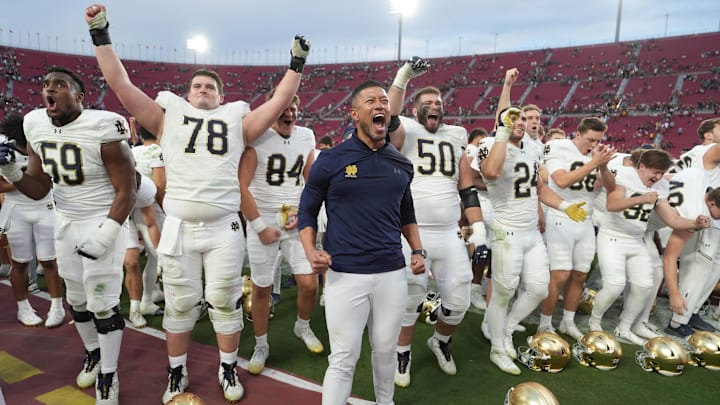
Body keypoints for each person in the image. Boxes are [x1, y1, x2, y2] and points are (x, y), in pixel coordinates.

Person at [84, 4, 310, 403]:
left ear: (222, 96)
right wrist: (100, 32)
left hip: (224, 228)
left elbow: (279, 101)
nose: (204, 91)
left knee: (224, 300)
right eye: (198, 87)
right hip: (181, 227)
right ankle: (176, 371)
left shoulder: (237, 122)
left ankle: (227, 367)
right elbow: (120, 84)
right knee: (181, 304)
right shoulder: (167, 116)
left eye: (211, 87)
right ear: (187, 95)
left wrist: (296, 63)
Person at [0, 65, 136, 405]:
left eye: (60, 85)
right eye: (46, 84)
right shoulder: (35, 125)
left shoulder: (102, 125)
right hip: (65, 221)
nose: (50, 89)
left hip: (103, 218)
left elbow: (128, 189)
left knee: (103, 304)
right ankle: (93, 353)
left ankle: (109, 375)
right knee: (76, 301)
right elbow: (37, 188)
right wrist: (12, 171)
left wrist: (106, 234)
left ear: (79, 96)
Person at [297, 80, 425, 405]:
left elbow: (406, 212)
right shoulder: (330, 160)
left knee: (385, 352)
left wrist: (418, 249)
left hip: (391, 273)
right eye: (371, 101)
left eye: (385, 100)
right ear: (355, 113)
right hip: (345, 273)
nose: (380, 105)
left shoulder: (401, 163)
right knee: (343, 356)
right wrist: (311, 251)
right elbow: (307, 211)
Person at [387, 58, 487, 386]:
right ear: (415, 111)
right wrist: (404, 76)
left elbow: (467, 187)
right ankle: (402, 352)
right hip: (412, 232)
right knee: (410, 299)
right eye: (426, 103)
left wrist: (480, 229)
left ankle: (440, 341)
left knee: (458, 301)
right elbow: (386, 116)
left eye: (438, 103)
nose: (433, 107)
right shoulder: (406, 128)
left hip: (448, 233)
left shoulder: (457, 134)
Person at [473, 106, 589, 375]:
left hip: (531, 233)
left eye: (524, 118)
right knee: (503, 291)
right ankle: (498, 348)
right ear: (503, 122)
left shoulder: (533, 148)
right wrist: (503, 130)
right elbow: (490, 172)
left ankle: (507, 328)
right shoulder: (492, 143)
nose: (522, 122)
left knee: (538, 288)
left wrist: (563, 206)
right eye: (515, 118)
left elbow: (539, 189)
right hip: (507, 231)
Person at [239, 89, 323, 375]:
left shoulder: (306, 136)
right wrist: (261, 228)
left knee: (310, 283)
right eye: (283, 107)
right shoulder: (258, 136)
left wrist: (304, 212)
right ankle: (261, 344)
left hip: (296, 218)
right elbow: (241, 187)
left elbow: (310, 180)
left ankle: (302, 325)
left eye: (293, 107)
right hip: (263, 220)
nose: (289, 113)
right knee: (262, 288)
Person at [589, 149, 709, 345]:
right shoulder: (625, 174)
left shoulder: (661, 186)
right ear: (641, 166)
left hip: (636, 240)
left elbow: (673, 219)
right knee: (614, 285)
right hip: (612, 237)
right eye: (655, 171)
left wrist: (695, 223)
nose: (658, 177)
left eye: (662, 173)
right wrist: (640, 199)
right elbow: (612, 204)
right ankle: (594, 322)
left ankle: (625, 327)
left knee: (645, 285)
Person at [537, 117, 615, 340]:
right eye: (590, 139)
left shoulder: (597, 154)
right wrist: (592, 163)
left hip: (586, 219)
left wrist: (603, 165)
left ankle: (567, 322)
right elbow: (561, 181)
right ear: (578, 134)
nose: (593, 144)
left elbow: (608, 187)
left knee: (580, 275)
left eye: (598, 140)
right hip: (561, 215)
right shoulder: (559, 147)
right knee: (559, 275)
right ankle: (544, 323)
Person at [0, 113, 65, 328]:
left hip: (45, 207)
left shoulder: (42, 149)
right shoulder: (4, 151)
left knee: (49, 260)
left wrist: (16, 177)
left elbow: (45, 183)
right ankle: (23, 307)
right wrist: (21, 179)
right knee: (20, 262)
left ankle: (57, 306)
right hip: (16, 209)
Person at [662, 167, 720, 336]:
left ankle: (692, 311)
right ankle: (678, 322)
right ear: (711, 203)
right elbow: (670, 257)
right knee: (699, 267)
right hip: (675, 226)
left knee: (714, 266)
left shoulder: (699, 174)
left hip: (682, 220)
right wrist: (674, 294)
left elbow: (672, 175)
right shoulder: (696, 214)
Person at [130, 122, 166, 309]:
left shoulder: (134, 150)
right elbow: (160, 187)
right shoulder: (156, 152)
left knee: (154, 257)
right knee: (162, 256)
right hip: (151, 207)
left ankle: (151, 295)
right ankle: (147, 301)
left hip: (135, 207)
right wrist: (167, 209)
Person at [124, 172, 162, 328]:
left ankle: (146, 302)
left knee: (156, 255)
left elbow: (151, 223)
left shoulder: (145, 188)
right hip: (115, 212)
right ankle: (135, 310)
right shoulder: (103, 189)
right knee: (131, 261)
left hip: (140, 209)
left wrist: (160, 254)